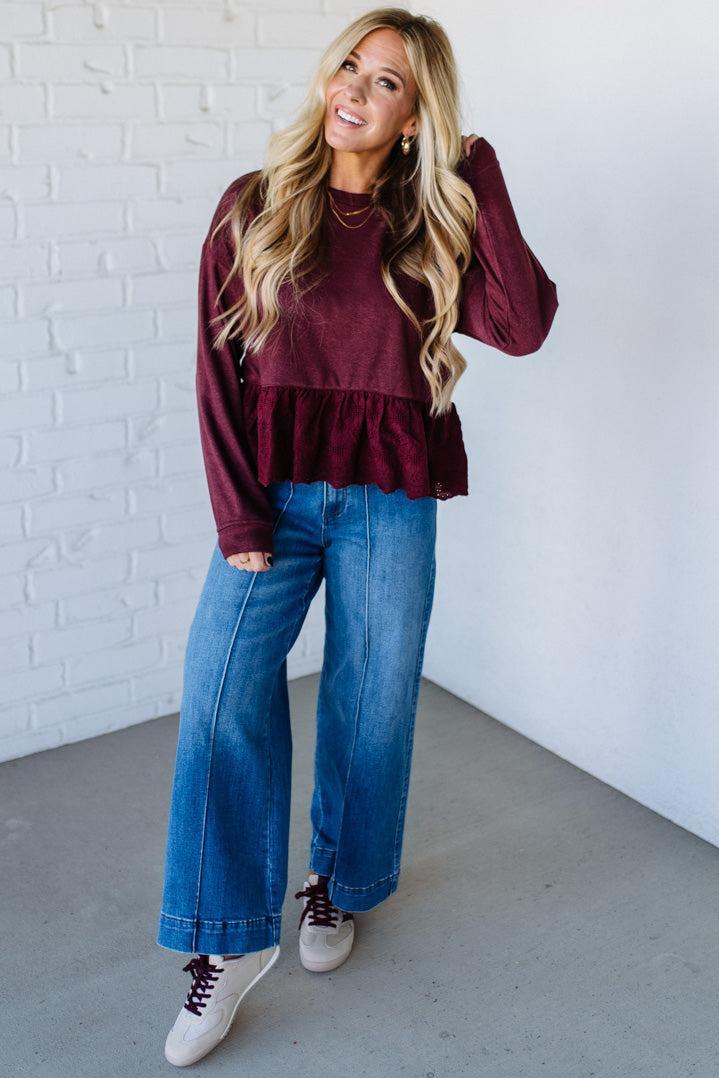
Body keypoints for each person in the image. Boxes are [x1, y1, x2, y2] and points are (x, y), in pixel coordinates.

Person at [157, 6, 558, 1067]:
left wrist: (479, 171)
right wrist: (237, 512)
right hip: (273, 494)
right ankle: (227, 942)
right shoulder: (252, 205)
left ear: (416, 112)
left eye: (386, 81)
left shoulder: (433, 222)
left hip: (389, 493)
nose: (353, 88)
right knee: (218, 697)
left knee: (370, 700)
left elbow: (522, 323)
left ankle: (338, 881)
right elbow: (213, 370)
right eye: (349, 65)